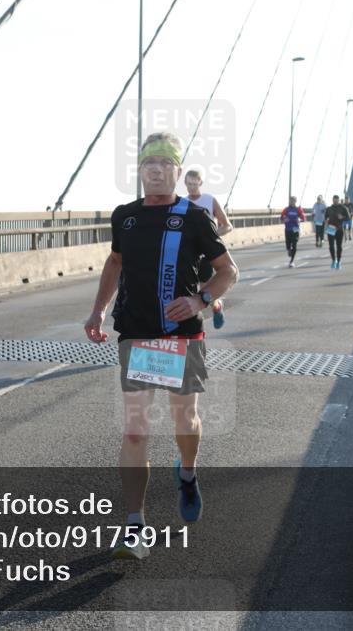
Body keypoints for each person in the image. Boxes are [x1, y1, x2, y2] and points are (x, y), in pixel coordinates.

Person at [84, 132, 238, 560]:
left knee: (183, 419)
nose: (156, 170)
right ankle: (135, 525)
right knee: (135, 428)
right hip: (136, 332)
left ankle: (187, 473)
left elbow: (228, 271)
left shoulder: (193, 217)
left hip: (181, 335)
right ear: (140, 171)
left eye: (165, 164)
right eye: (149, 163)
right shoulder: (125, 216)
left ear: (175, 170)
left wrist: (200, 299)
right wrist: (98, 310)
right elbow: (116, 262)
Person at [185, 168, 233, 329]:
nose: (191, 187)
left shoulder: (209, 200)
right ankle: (189, 328)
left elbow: (227, 226)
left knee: (206, 291)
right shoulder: (182, 202)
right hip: (187, 255)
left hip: (205, 255)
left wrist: (208, 237)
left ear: (200, 183)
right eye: (188, 183)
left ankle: (217, 307)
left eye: (194, 183)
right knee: (186, 291)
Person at [324, 194, 351, 269]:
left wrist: (342, 217)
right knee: (331, 246)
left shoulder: (343, 208)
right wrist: (326, 222)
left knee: (339, 246)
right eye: (334, 200)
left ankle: (339, 261)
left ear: (339, 200)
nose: (335, 201)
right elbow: (325, 217)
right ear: (332, 200)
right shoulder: (329, 208)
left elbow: (348, 217)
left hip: (339, 229)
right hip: (331, 229)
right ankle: (333, 260)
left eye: (336, 200)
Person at [280, 196, 306, 268]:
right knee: (288, 245)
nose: (292, 202)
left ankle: (291, 261)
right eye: (291, 201)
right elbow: (281, 217)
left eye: (293, 201)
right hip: (288, 229)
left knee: (294, 245)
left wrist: (299, 220)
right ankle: (289, 250)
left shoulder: (298, 209)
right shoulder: (286, 209)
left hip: (295, 229)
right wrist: (284, 219)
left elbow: (303, 218)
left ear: (295, 201)